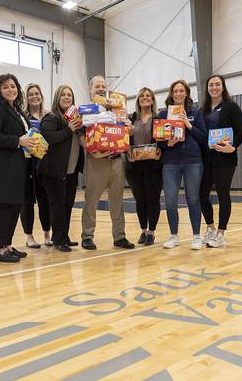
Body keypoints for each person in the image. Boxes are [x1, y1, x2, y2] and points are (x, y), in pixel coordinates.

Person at [0, 74, 37, 263]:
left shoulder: (17, 110)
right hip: (3, 166)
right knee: (5, 208)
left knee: (14, 206)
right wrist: (17, 141)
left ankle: (8, 245)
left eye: (13, 86)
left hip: (18, 165)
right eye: (5, 87)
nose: (10, 90)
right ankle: (0, 249)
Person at [80, 75, 135, 250]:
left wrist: (127, 125)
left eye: (103, 86)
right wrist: (91, 152)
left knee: (117, 200)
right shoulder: (87, 110)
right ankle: (87, 236)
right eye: (97, 86)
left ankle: (119, 236)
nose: (101, 89)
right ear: (91, 90)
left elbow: (125, 132)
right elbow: (81, 135)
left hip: (116, 160)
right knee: (91, 200)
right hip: (97, 161)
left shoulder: (117, 109)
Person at [157, 79, 207, 250]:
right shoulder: (163, 114)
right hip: (171, 162)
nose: (178, 94)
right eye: (175, 91)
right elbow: (158, 140)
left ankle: (196, 236)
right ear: (171, 94)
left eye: (181, 91)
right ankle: (174, 236)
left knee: (193, 198)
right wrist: (167, 144)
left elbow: (203, 137)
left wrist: (188, 124)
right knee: (170, 200)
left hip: (193, 161)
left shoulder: (196, 112)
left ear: (186, 93)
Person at [200, 74, 242, 248]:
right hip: (206, 158)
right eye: (211, 85)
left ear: (223, 87)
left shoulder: (231, 107)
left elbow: (240, 131)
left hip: (225, 158)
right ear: (207, 88)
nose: (214, 88)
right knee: (201, 194)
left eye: (217, 84)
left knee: (222, 193)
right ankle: (210, 228)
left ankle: (221, 233)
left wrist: (233, 147)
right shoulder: (202, 109)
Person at [39, 85, 84, 252]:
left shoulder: (75, 118)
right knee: (57, 205)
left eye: (69, 95)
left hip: (70, 171)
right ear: (57, 97)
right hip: (53, 171)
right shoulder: (51, 117)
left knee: (67, 205)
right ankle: (58, 240)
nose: (67, 97)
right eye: (63, 95)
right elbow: (48, 137)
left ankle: (64, 236)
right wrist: (68, 130)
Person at [126, 87, 162, 246]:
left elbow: (162, 140)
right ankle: (143, 230)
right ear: (138, 100)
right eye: (142, 96)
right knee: (140, 200)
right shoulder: (130, 118)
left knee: (152, 199)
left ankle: (152, 232)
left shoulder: (159, 118)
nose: (145, 98)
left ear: (152, 99)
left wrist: (160, 151)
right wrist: (128, 151)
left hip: (153, 165)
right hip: (134, 166)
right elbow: (124, 140)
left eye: (148, 96)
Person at [20, 83, 52, 248]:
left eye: (37, 93)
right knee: (27, 201)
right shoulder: (22, 116)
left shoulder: (49, 115)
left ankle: (47, 233)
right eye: (31, 94)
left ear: (41, 95)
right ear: (27, 97)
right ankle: (29, 236)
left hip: (44, 162)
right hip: (27, 162)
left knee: (45, 199)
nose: (34, 96)